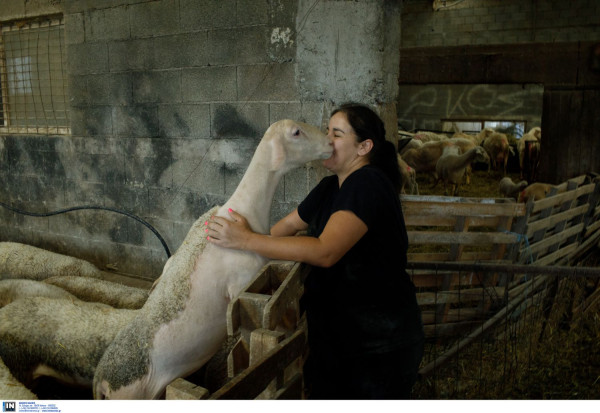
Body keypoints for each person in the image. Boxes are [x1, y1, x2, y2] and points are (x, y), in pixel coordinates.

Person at [206, 103, 424, 399]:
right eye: (326, 131)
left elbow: (325, 251)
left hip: (377, 344)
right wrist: (240, 241)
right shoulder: (329, 187)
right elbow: (284, 228)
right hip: (335, 337)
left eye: (337, 133)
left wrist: (244, 240)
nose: (327, 139)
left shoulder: (369, 184)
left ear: (364, 147)